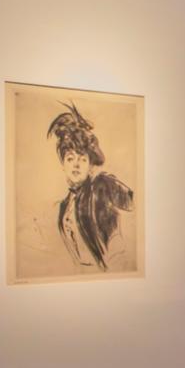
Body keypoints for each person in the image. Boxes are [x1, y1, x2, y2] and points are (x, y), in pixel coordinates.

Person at [46, 102, 134, 272]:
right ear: (63, 165)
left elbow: (135, 205)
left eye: (82, 159)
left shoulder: (101, 186)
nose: (76, 165)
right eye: (70, 159)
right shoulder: (64, 205)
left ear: (90, 166)